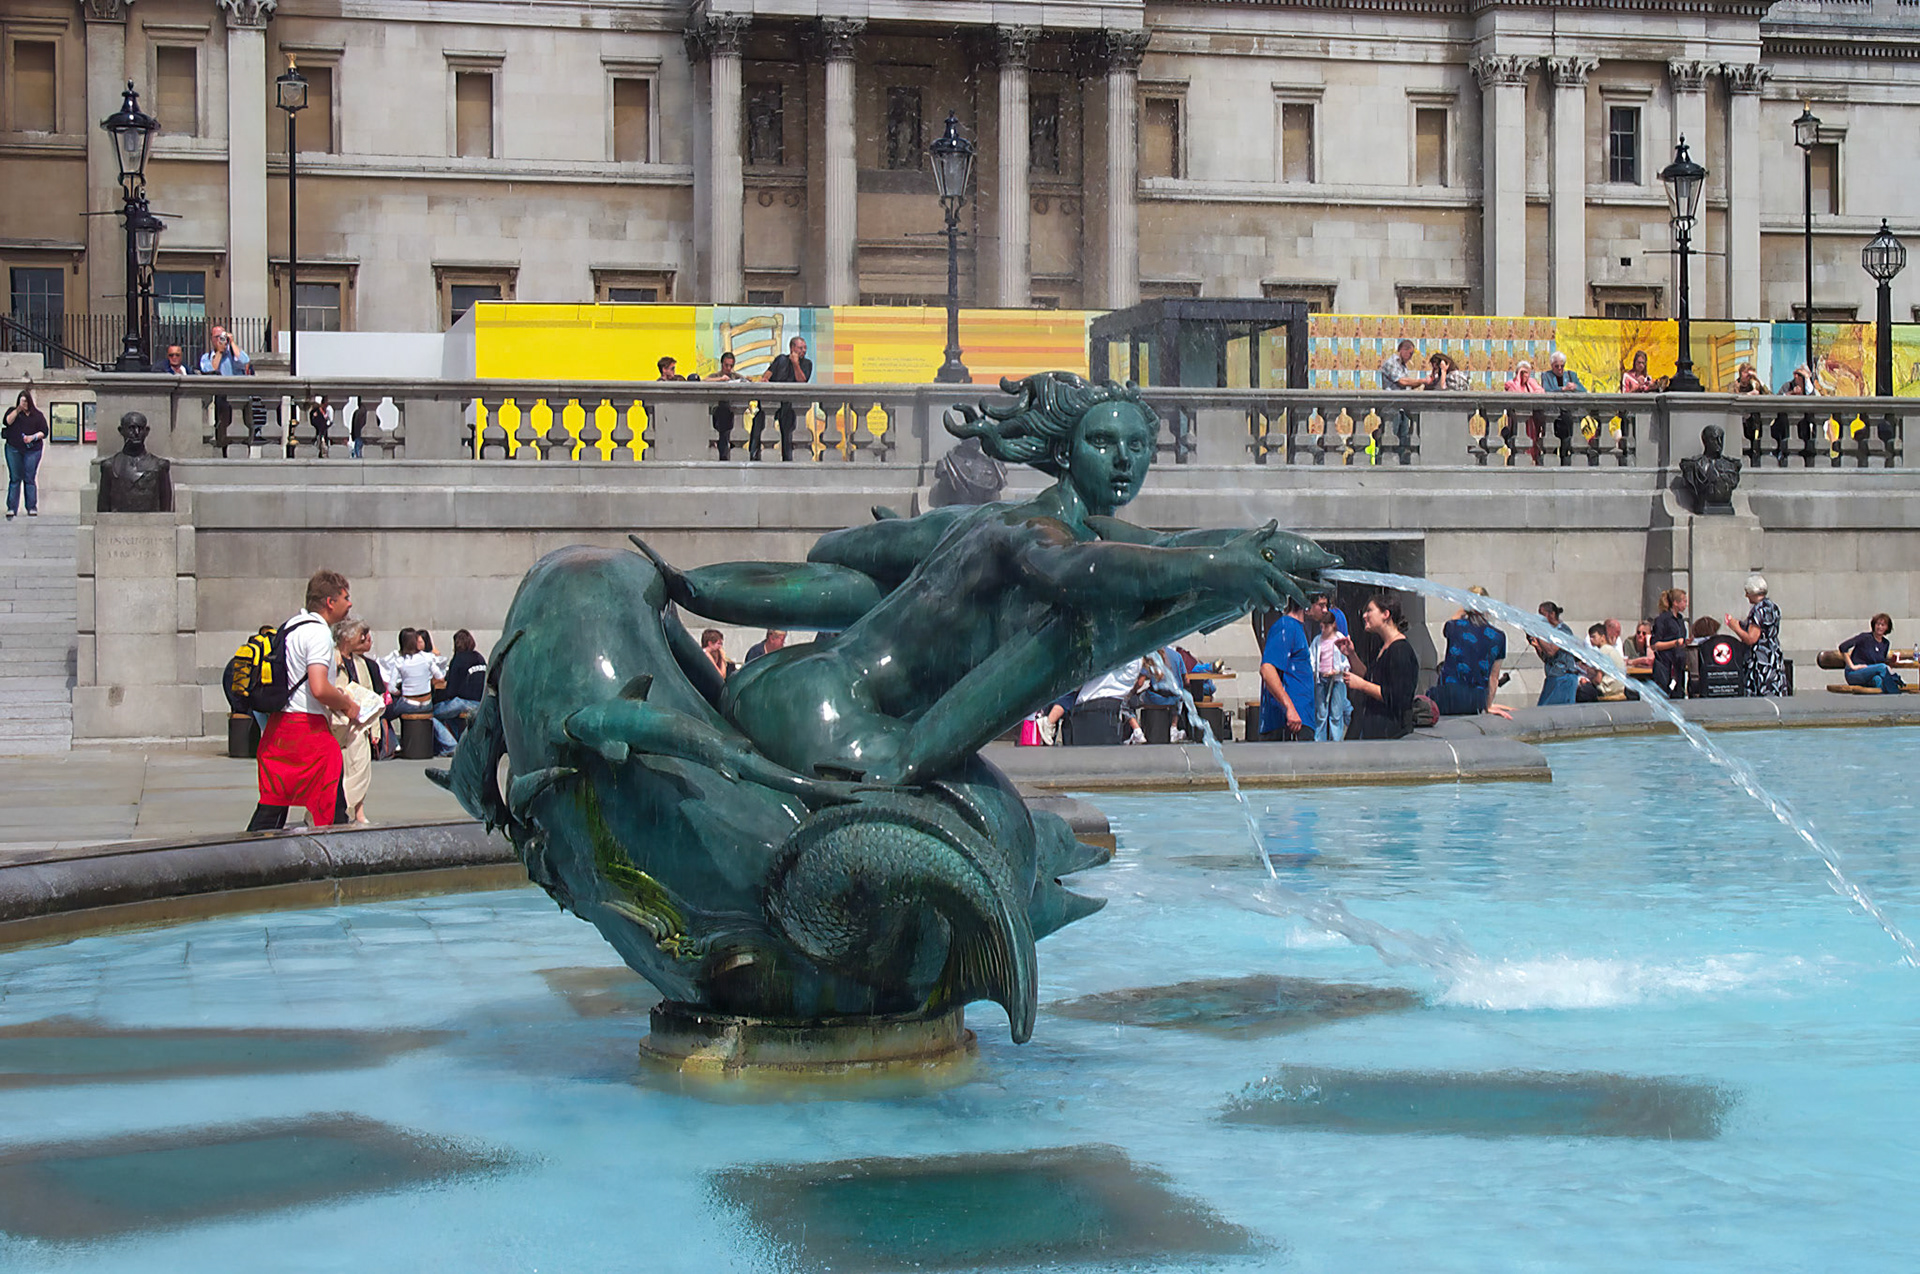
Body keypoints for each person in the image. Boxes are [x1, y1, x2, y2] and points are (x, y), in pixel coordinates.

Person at [248, 570, 359, 831]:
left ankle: (243, 861)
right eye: (346, 597)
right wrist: (347, 704)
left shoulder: (289, 627)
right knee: (331, 809)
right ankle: (340, 860)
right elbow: (319, 688)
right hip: (308, 735)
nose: (350, 603)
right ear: (330, 602)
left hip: (278, 732)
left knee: (271, 810)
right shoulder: (319, 634)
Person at [330, 618, 388, 823]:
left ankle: (358, 810)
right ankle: (332, 810)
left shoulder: (361, 662)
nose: (363, 639)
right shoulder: (331, 658)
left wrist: (375, 730)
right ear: (346, 636)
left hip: (360, 724)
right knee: (337, 772)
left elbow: (370, 694)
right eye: (359, 635)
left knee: (361, 768)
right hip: (336, 724)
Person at [1343, 593, 1418, 740]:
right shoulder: (1382, 646)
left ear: (1385, 614)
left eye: (1369, 610)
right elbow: (1370, 677)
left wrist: (1362, 685)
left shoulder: (1400, 651)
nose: (1364, 616)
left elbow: (1396, 697)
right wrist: (1350, 654)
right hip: (1371, 730)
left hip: (1389, 735)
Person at [1429, 586, 1507, 717]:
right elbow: (1494, 677)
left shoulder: (1454, 627)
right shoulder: (1498, 636)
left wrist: (1464, 606)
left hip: (1447, 695)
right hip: (1475, 699)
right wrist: (1488, 705)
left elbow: (1449, 625)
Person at [381, 628, 456, 755]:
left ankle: (394, 745)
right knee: (431, 716)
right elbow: (440, 676)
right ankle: (449, 744)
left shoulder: (399, 661)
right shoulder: (427, 658)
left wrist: (400, 691)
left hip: (408, 703)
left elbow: (391, 688)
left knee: (384, 713)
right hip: (427, 702)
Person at [96, 411, 174, 513]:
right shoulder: (109, 466)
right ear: (121, 431)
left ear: (147, 431)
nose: (136, 433)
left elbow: (165, 510)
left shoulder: (160, 466)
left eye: (140, 428)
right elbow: (103, 510)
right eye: (131, 428)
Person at [1258, 596, 1312, 741]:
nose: (1326, 610)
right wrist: (1290, 708)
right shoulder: (1286, 626)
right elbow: (1267, 669)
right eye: (1322, 605)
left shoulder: (1297, 628)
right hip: (1289, 724)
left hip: (1299, 720)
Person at [1726, 574, 1787, 697]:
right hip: (1773, 655)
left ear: (1753, 592)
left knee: (1761, 697)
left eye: (1747, 592)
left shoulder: (1758, 610)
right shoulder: (1773, 607)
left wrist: (1735, 627)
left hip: (1761, 660)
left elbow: (1751, 638)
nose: (1746, 596)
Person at [753, 335, 812, 461]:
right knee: (758, 420)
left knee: (789, 426)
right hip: (773, 401)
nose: (803, 351)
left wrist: (795, 364)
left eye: (805, 348)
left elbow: (802, 381)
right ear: (792, 348)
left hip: (791, 404)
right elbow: (767, 375)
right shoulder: (781, 360)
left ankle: (788, 457)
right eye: (800, 348)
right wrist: (765, 380)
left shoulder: (807, 363)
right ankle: (753, 454)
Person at [199, 324, 254, 442]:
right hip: (222, 398)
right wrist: (219, 352)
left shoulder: (234, 353)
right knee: (223, 432)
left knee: (245, 431)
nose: (220, 339)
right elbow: (210, 370)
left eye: (223, 336)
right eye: (217, 337)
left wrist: (232, 343)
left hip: (240, 396)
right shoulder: (207, 357)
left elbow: (244, 361)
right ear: (212, 339)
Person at [434, 629, 487, 741]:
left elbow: (451, 691)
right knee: (451, 715)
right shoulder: (480, 657)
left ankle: (450, 744)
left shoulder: (458, 659)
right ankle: (459, 740)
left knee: (431, 714)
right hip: (482, 702)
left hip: (463, 703)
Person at [4, 389, 49, 520]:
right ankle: (12, 507)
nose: (23, 404)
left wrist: (33, 437)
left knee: (29, 477)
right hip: (14, 448)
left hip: (32, 449)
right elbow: (7, 421)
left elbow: (44, 432)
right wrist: (18, 410)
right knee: (15, 478)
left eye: (25, 401)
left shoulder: (37, 415)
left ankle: (31, 507)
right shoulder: (13, 412)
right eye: (21, 401)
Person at [1309, 608, 1351, 740]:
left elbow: (1346, 661)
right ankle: (1320, 741)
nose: (1323, 630)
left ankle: (1336, 741)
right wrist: (1315, 671)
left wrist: (1337, 670)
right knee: (1321, 713)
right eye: (1321, 627)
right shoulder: (1317, 641)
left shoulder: (1340, 639)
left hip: (1337, 679)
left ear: (1333, 625)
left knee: (1336, 713)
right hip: (1321, 679)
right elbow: (1312, 658)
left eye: (1326, 626)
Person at [1531, 600, 1581, 705]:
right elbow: (1546, 657)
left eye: (1542, 615)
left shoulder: (1563, 630)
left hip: (1564, 678)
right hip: (1553, 677)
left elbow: (1551, 651)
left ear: (1552, 614)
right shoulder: (1548, 633)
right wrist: (1536, 645)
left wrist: (1538, 634)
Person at [1840, 613, 1905, 694]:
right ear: (1874, 625)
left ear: (1887, 628)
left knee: (1878, 680)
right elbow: (1843, 647)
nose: (1880, 627)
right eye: (1878, 624)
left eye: (1883, 625)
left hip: (1870, 675)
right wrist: (1852, 666)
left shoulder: (1885, 643)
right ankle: (1895, 693)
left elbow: (1879, 663)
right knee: (1882, 667)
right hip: (1855, 674)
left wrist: (1891, 663)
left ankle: (1882, 703)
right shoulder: (1865, 637)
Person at [708, 350, 749, 459]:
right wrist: (720, 379)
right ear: (722, 364)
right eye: (726, 365)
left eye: (731, 366)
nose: (729, 368)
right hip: (718, 411)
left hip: (733, 411)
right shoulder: (716, 375)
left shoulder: (735, 376)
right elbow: (704, 381)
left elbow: (746, 382)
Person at [1650, 588, 1689, 696]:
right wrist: (1675, 643)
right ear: (1676, 603)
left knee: (1679, 693)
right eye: (1684, 601)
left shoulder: (1680, 619)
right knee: (1664, 694)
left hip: (1678, 664)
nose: (1686, 604)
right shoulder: (1663, 619)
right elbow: (1655, 645)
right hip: (1665, 664)